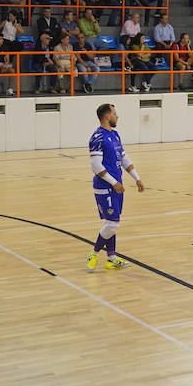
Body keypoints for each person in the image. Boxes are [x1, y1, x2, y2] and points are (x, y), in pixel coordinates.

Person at [87, 103, 145, 271]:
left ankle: (111, 258)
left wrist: (137, 178)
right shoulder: (98, 137)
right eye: (114, 113)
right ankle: (94, 252)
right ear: (107, 116)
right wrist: (114, 182)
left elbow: (124, 158)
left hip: (117, 187)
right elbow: (95, 166)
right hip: (105, 187)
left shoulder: (115, 135)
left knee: (111, 222)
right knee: (112, 225)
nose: (117, 116)